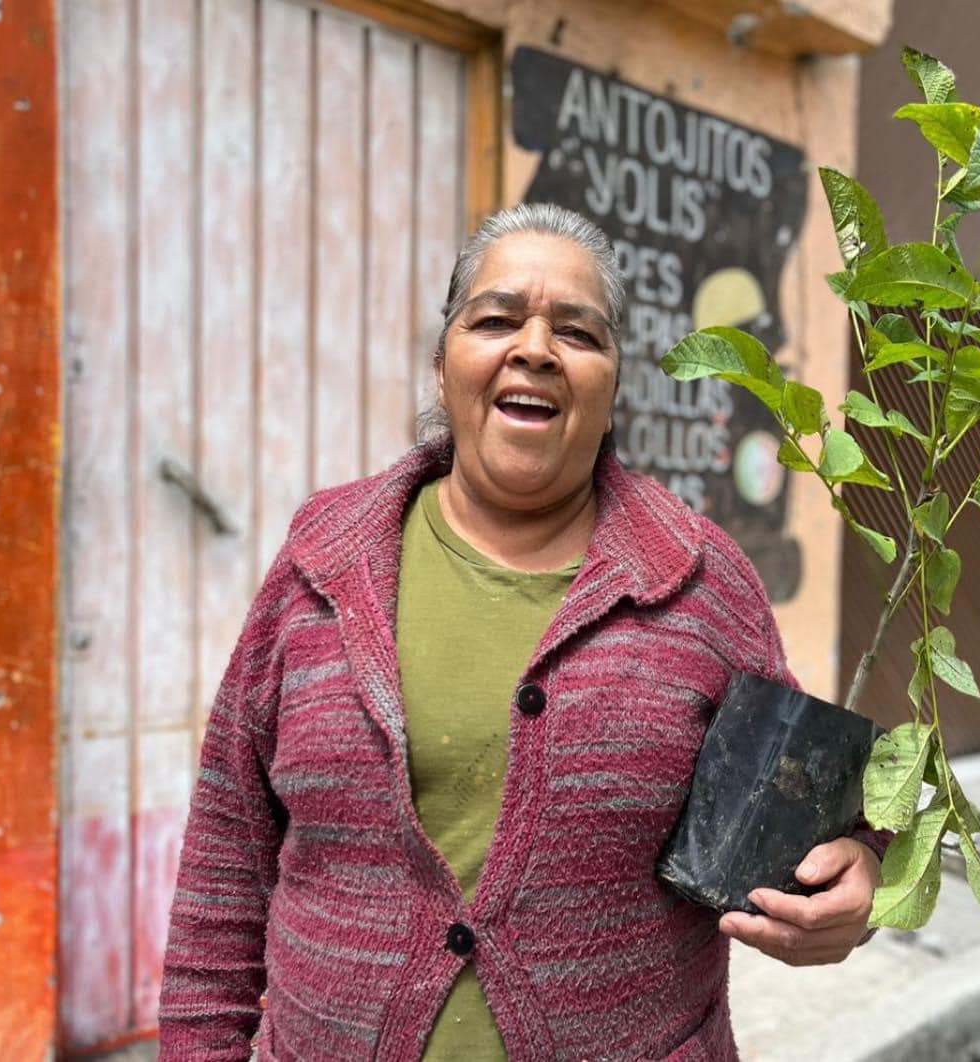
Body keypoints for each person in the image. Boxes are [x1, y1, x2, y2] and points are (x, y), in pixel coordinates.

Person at [158, 203, 884, 1061]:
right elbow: (224, 866)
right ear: (443, 367)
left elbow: (810, 800)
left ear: (613, 385)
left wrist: (863, 870)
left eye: (577, 332)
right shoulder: (322, 564)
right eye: (497, 318)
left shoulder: (697, 582)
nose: (534, 347)